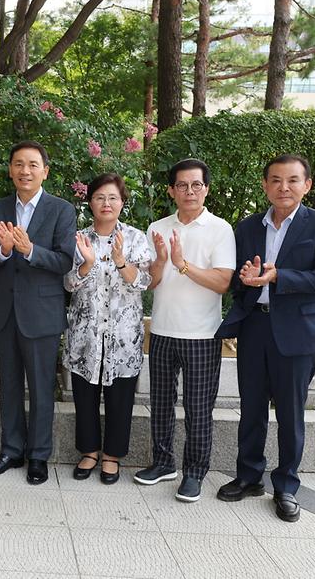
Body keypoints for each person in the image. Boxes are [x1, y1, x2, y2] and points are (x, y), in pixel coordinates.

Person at [215, 155, 315, 522]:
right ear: (265, 184)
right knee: (250, 408)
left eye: (292, 180)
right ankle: (249, 476)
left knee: (290, 413)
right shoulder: (248, 226)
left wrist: (277, 277)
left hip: (297, 332)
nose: (283, 187)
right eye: (275, 180)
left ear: (307, 185)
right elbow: (240, 280)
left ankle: (286, 486)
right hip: (255, 326)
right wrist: (247, 276)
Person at [135, 158, 235, 503]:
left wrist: (183, 264)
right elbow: (151, 283)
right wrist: (163, 261)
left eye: (196, 185)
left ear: (206, 189)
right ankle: (163, 462)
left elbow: (222, 282)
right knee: (160, 404)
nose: (189, 191)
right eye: (182, 185)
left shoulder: (220, 229)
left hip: (203, 335)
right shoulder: (157, 227)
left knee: (197, 408)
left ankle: (194, 472)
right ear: (171, 190)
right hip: (162, 329)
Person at [0, 141, 76, 485]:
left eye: (33, 164)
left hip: (42, 312)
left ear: (45, 171)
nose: (25, 170)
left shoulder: (62, 210)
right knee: (9, 386)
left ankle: (38, 455)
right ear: (10, 169)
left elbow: (65, 261)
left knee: (41, 387)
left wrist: (30, 249)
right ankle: (11, 450)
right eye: (19, 164)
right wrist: (4, 250)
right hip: (7, 309)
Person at [63, 173, 151, 485]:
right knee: (85, 395)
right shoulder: (78, 238)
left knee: (120, 398)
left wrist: (122, 262)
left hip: (123, 338)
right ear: (90, 202)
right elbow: (68, 284)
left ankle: (112, 455)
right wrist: (86, 265)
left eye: (113, 197)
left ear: (122, 203)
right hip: (85, 335)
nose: (106, 203)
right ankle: (89, 451)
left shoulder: (136, 238)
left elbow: (144, 282)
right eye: (100, 197)